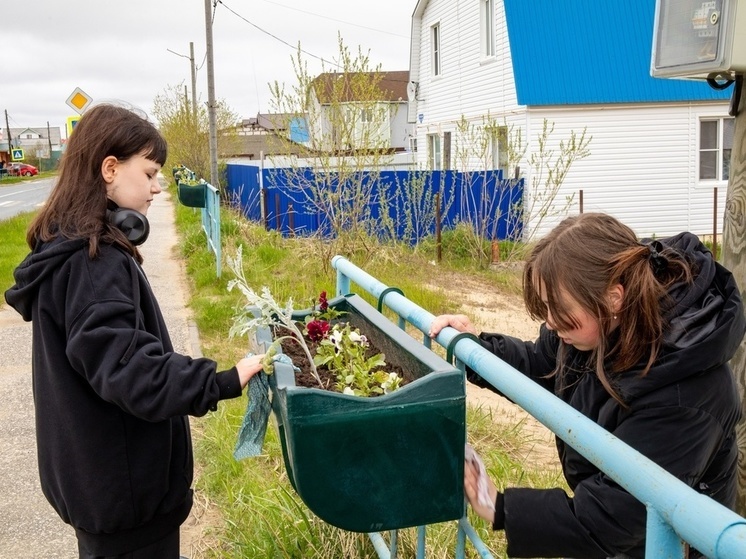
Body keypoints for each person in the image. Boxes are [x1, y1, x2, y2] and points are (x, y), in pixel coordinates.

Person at [3, 103, 265, 559]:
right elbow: (129, 370)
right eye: (149, 173)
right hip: (127, 505)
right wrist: (221, 380)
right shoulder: (93, 263)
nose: (157, 187)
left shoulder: (68, 249)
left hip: (103, 490)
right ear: (109, 169)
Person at [429, 212, 745, 559]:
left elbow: (617, 515)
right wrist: (474, 348)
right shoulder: (603, 327)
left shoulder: (685, 393)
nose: (550, 321)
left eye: (559, 309)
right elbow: (543, 364)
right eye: (546, 307)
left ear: (614, 298)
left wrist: (500, 507)